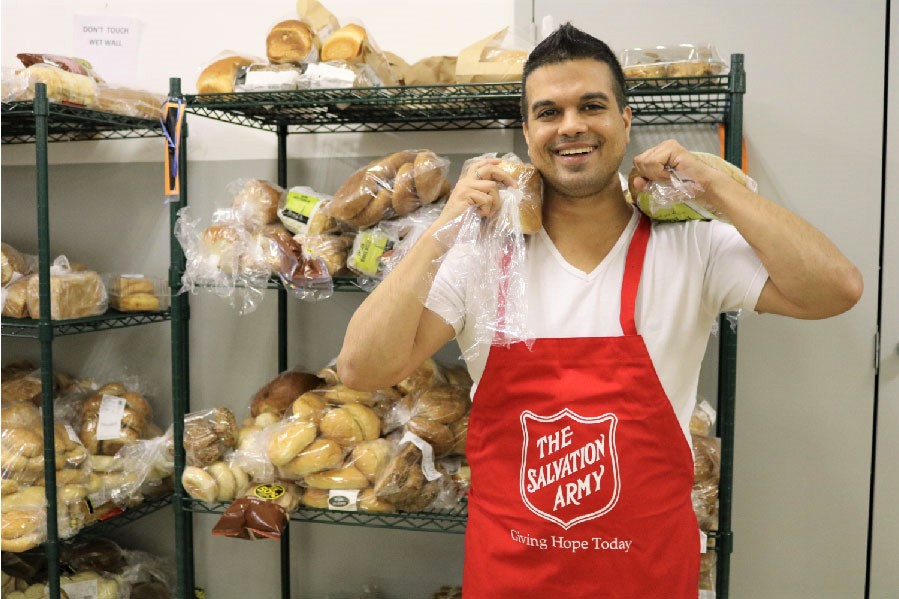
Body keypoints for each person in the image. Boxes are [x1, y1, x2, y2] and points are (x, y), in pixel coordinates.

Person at [336, 22, 862, 598]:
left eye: (592, 105)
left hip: (648, 578)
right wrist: (445, 227)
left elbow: (836, 289)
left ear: (626, 120)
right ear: (527, 131)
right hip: (512, 579)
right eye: (548, 112)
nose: (572, 126)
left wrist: (717, 188)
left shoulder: (689, 246)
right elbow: (363, 369)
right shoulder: (484, 256)